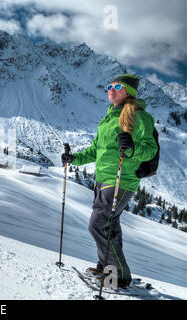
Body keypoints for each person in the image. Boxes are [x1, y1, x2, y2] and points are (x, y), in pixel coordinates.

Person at [61, 74, 158, 288]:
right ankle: (108, 267)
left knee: (98, 225)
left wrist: (132, 148)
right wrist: (74, 158)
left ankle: (119, 276)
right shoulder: (109, 118)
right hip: (103, 178)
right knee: (109, 226)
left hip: (121, 180)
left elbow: (150, 149)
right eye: (109, 86)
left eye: (117, 86)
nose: (111, 89)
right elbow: (97, 150)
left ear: (128, 92)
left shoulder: (139, 116)